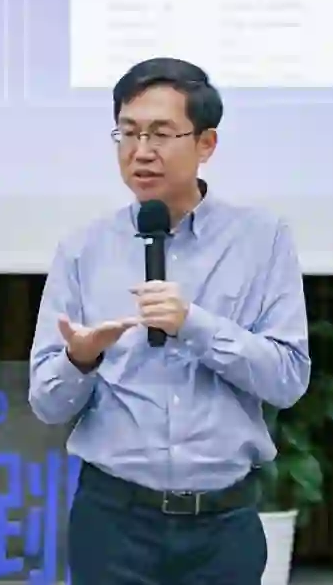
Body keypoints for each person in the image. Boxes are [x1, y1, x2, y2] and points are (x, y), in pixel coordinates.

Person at [27, 57, 311, 585]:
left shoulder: (261, 239)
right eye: (128, 132)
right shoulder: (84, 249)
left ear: (206, 144)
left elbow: (288, 380)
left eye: (160, 133)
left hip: (221, 524)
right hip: (113, 522)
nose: (141, 151)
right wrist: (80, 359)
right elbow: (46, 403)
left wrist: (195, 325)